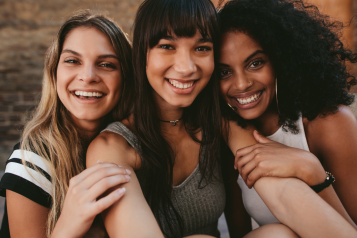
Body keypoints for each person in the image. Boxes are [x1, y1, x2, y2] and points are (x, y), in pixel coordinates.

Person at [87, 0, 357, 238]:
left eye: (201, 48)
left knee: (279, 234)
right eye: (167, 46)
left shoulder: (221, 122)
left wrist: (314, 174)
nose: (186, 67)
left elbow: (284, 195)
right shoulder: (112, 148)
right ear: (141, 56)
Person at [217, 0, 357, 232]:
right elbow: (239, 233)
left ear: (280, 59)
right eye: (224, 72)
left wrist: (314, 172)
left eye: (255, 63)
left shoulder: (328, 124)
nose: (241, 84)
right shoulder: (229, 135)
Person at [0, 11, 134, 238]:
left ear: (126, 77)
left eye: (106, 64)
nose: (88, 76)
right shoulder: (31, 163)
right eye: (72, 61)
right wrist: (70, 223)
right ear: (54, 73)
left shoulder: (132, 147)